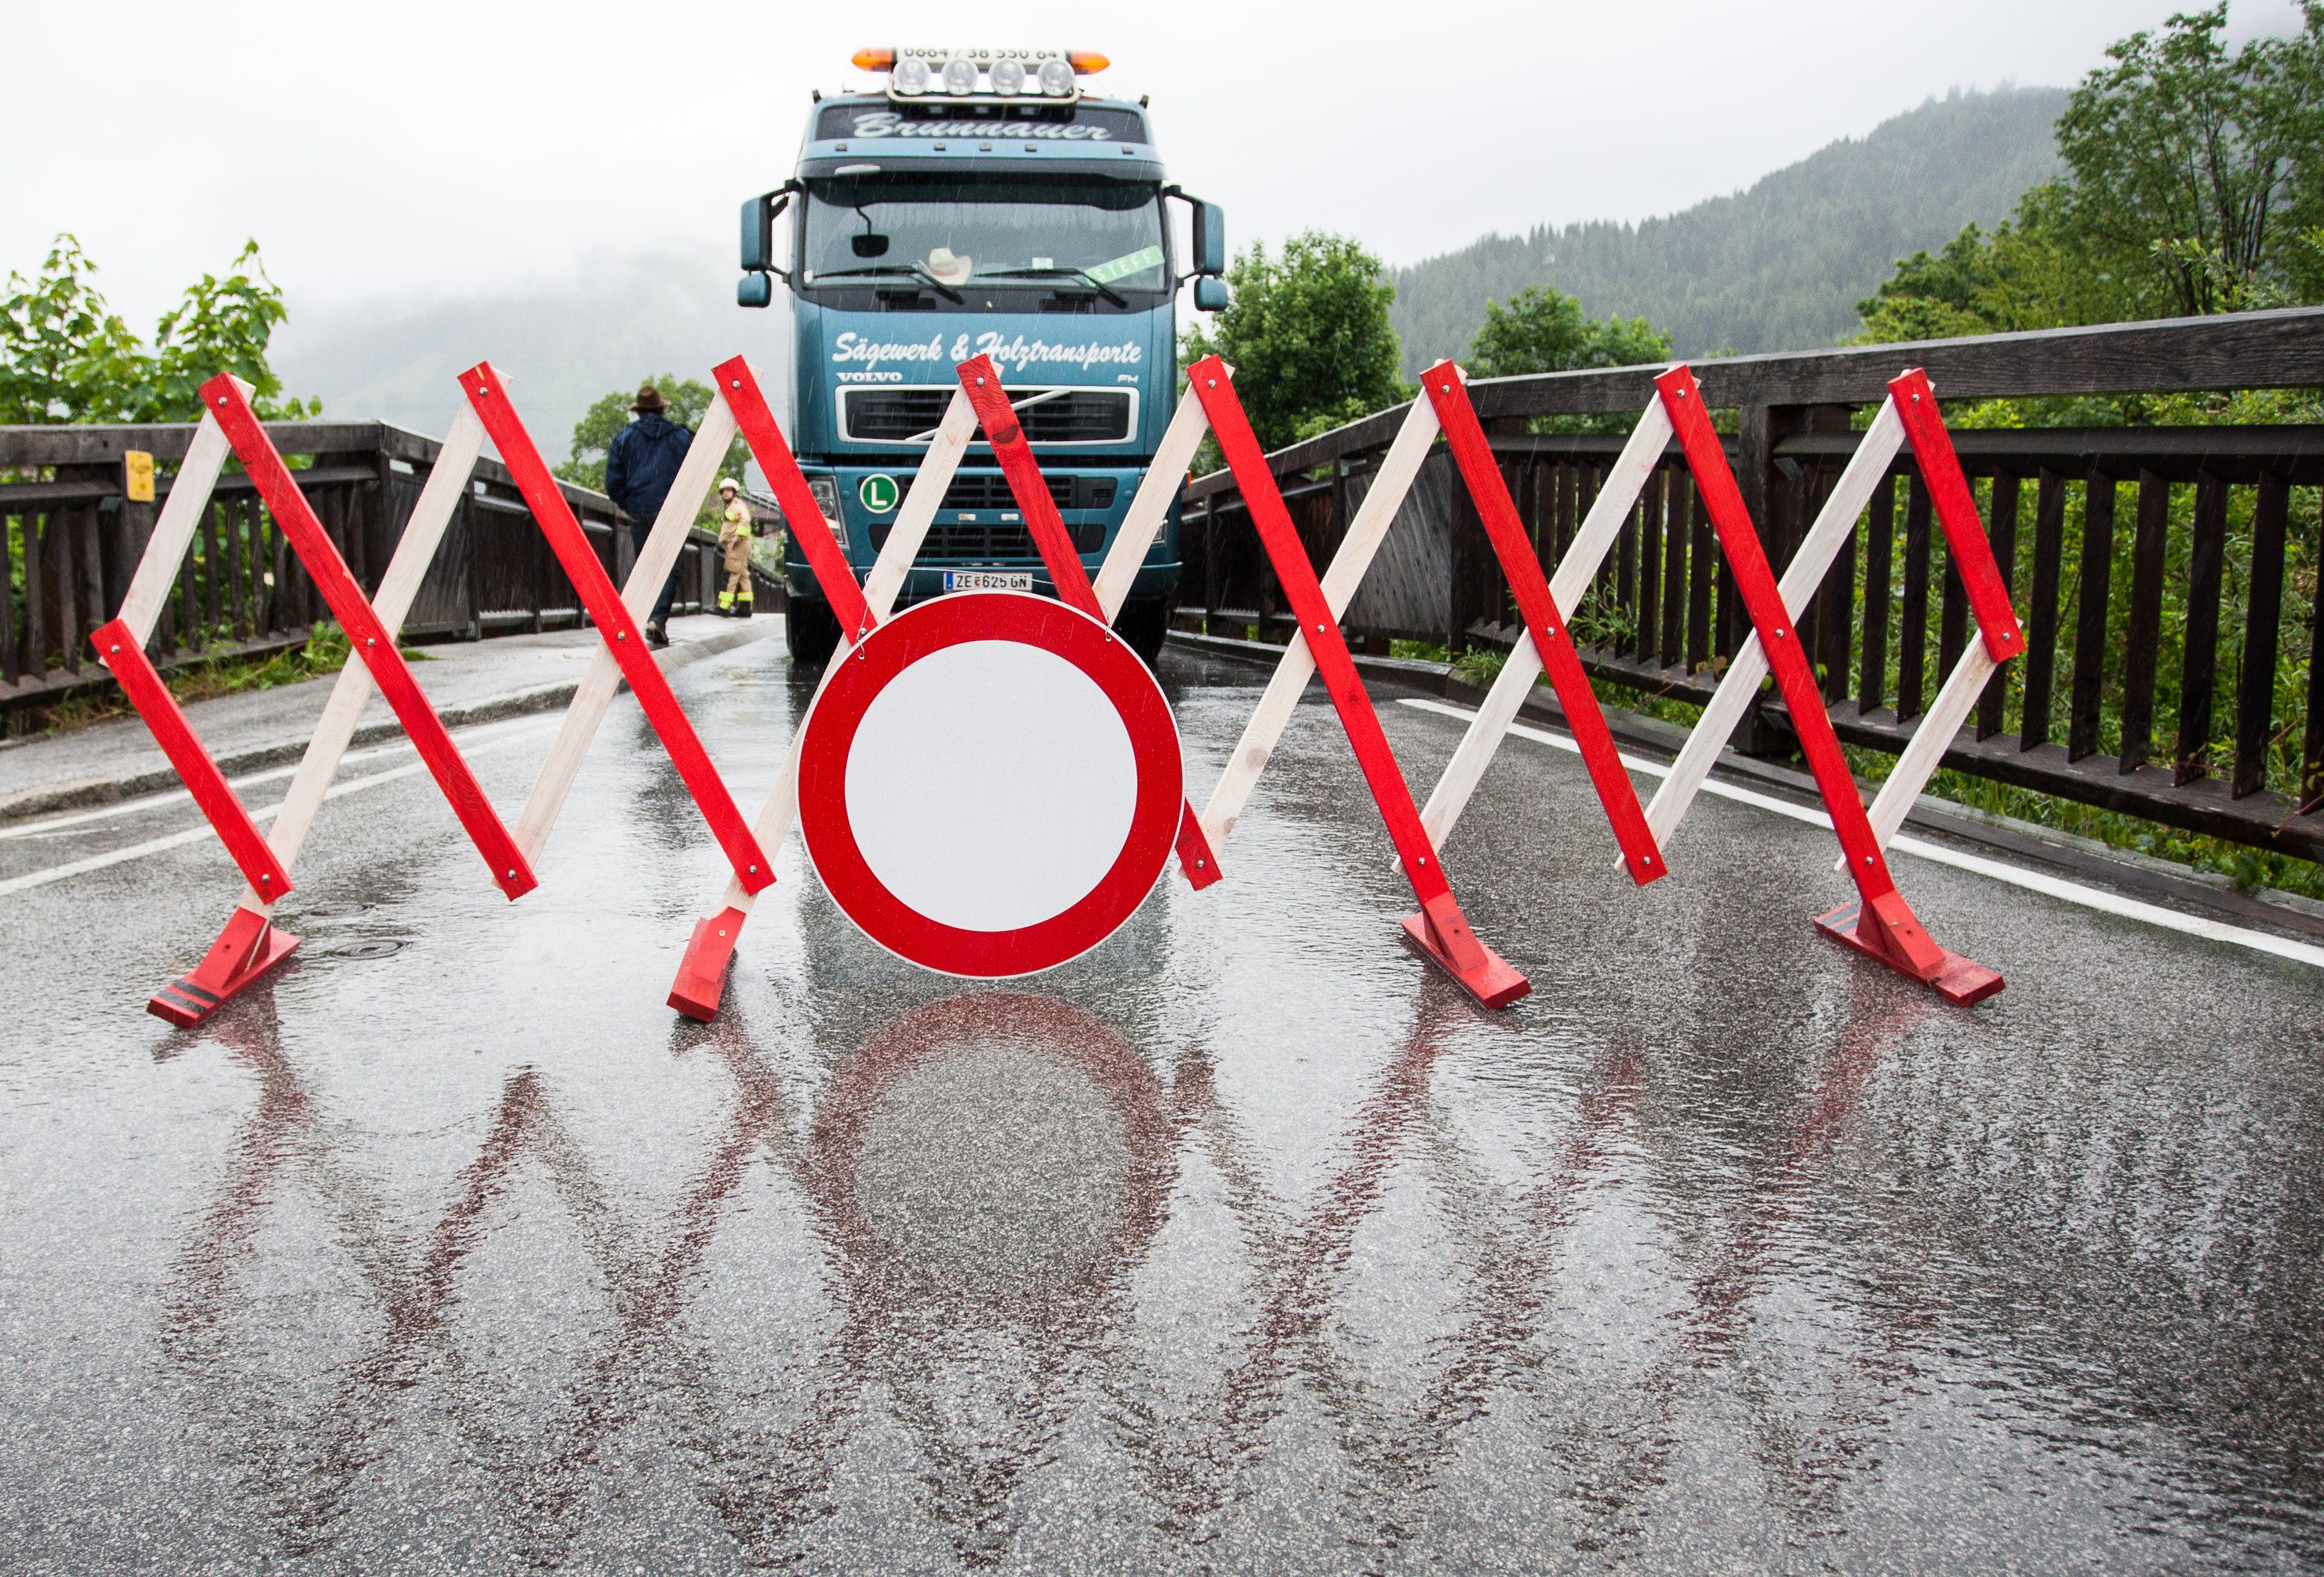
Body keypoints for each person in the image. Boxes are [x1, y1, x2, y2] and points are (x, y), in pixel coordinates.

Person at [603, 383, 692, 646]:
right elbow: (697, 468)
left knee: (646, 565)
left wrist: (630, 504)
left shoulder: (624, 439)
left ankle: (644, 616)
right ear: (662, 410)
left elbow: (613, 482)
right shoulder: (681, 437)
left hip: (640, 509)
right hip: (670, 508)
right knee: (668, 567)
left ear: (639, 412)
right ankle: (658, 618)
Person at [715, 478, 754, 618]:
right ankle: (745, 608)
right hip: (740, 545)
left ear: (734, 492)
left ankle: (724, 606)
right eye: (723, 491)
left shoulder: (736, 505)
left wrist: (737, 537)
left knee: (731, 572)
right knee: (743, 574)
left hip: (736, 544)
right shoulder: (731, 505)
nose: (725, 493)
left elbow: (745, 520)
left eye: (728, 491)